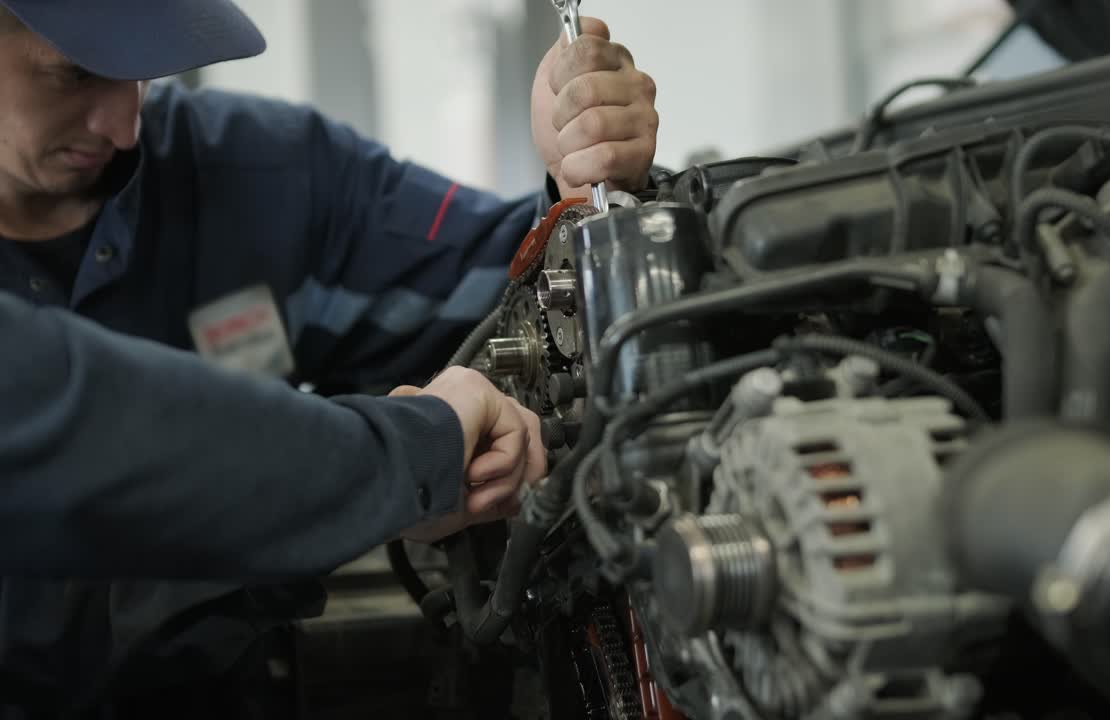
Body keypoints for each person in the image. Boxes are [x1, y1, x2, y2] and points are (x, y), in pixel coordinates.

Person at [0, 0, 659, 714]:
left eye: (147, 75)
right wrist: (391, 469)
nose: (124, 125)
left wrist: (578, 187)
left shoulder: (264, 176)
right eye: (77, 75)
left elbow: (518, 296)